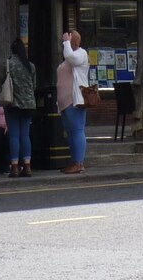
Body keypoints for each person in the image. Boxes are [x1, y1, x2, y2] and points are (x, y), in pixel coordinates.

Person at [3, 37, 37, 178]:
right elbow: (34, 86)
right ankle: (27, 166)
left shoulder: (8, 65)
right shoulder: (31, 66)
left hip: (13, 104)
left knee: (14, 135)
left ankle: (15, 167)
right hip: (29, 103)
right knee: (25, 135)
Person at [58, 30, 89, 175]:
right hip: (65, 103)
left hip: (74, 101)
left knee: (77, 130)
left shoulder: (81, 53)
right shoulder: (68, 58)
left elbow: (71, 57)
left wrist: (65, 42)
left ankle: (79, 163)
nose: (65, 43)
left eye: (69, 40)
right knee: (70, 132)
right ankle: (74, 161)